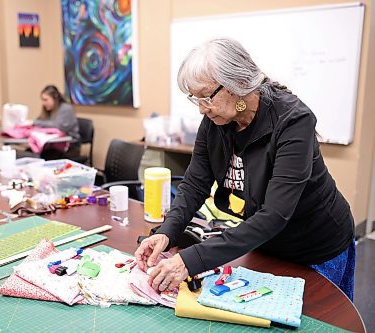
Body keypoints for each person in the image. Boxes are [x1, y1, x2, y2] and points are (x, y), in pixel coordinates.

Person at [134, 38, 356, 300]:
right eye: (195, 98)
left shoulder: (293, 121)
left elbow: (274, 215)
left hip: (316, 246)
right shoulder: (214, 121)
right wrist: (166, 233)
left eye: (206, 97)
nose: (201, 108)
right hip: (265, 244)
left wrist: (191, 260)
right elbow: (195, 185)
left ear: (238, 83)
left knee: (321, 323)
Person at [33, 85, 81, 159]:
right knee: (30, 152)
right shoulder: (47, 110)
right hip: (52, 144)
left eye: (46, 100)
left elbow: (57, 126)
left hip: (69, 146)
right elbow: (38, 121)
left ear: (55, 98)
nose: (43, 103)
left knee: (42, 156)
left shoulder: (66, 109)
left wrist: (37, 123)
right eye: (42, 100)